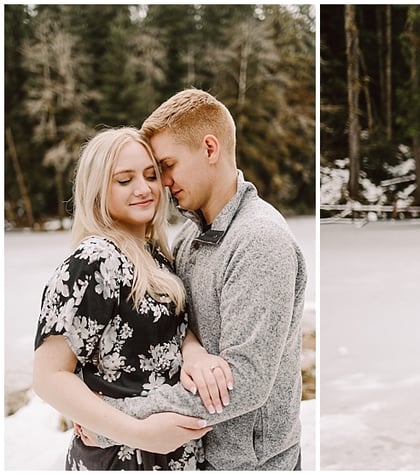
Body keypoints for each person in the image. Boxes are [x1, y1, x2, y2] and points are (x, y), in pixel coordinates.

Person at [79, 88, 308, 470]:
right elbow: (176, 323)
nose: (162, 182)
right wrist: (191, 348)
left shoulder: (259, 240)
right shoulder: (188, 239)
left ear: (210, 148)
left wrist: (117, 421)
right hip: (197, 458)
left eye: (167, 165)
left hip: (251, 466)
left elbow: (246, 381)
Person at [32, 127, 215, 470]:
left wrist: (194, 352)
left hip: (174, 456)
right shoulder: (94, 261)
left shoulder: (154, 255)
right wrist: (141, 433)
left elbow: (167, 328)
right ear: (99, 189)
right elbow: (48, 377)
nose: (144, 189)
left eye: (150, 175)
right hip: (120, 458)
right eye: (124, 180)